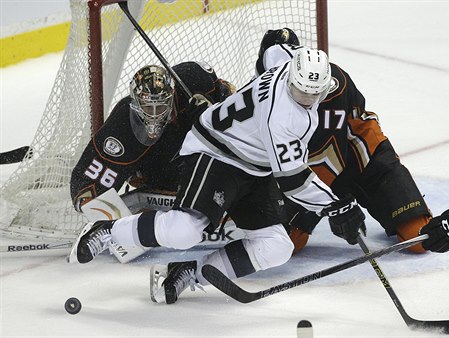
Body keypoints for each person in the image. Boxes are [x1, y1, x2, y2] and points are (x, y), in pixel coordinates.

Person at [68, 46, 369, 305]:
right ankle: (108, 230)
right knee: (185, 230)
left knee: (278, 246)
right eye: (300, 89)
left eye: (312, 92)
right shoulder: (282, 117)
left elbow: (274, 51)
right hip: (215, 151)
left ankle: (189, 271)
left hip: (254, 165)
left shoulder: (286, 64)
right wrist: (338, 206)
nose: (304, 97)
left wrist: (337, 207)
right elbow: (293, 182)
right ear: (291, 76)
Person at [256, 28, 449, 255]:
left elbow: (327, 156)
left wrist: (332, 206)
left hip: (364, 160)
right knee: (285, 243)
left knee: (420, 238)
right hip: (315, 169)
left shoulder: (332, 87)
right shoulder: (264, 91)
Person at [70, 61, 235, 212]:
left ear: (171, 97)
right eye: (149, 107)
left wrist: (214, 113)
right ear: (135, 102)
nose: (155, 115)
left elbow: (231, 93)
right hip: (155, 174)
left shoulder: (192, 80)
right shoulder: (121, 125)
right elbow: (87, 187)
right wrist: (95, 205)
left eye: (161, 106)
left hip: (193, 160)